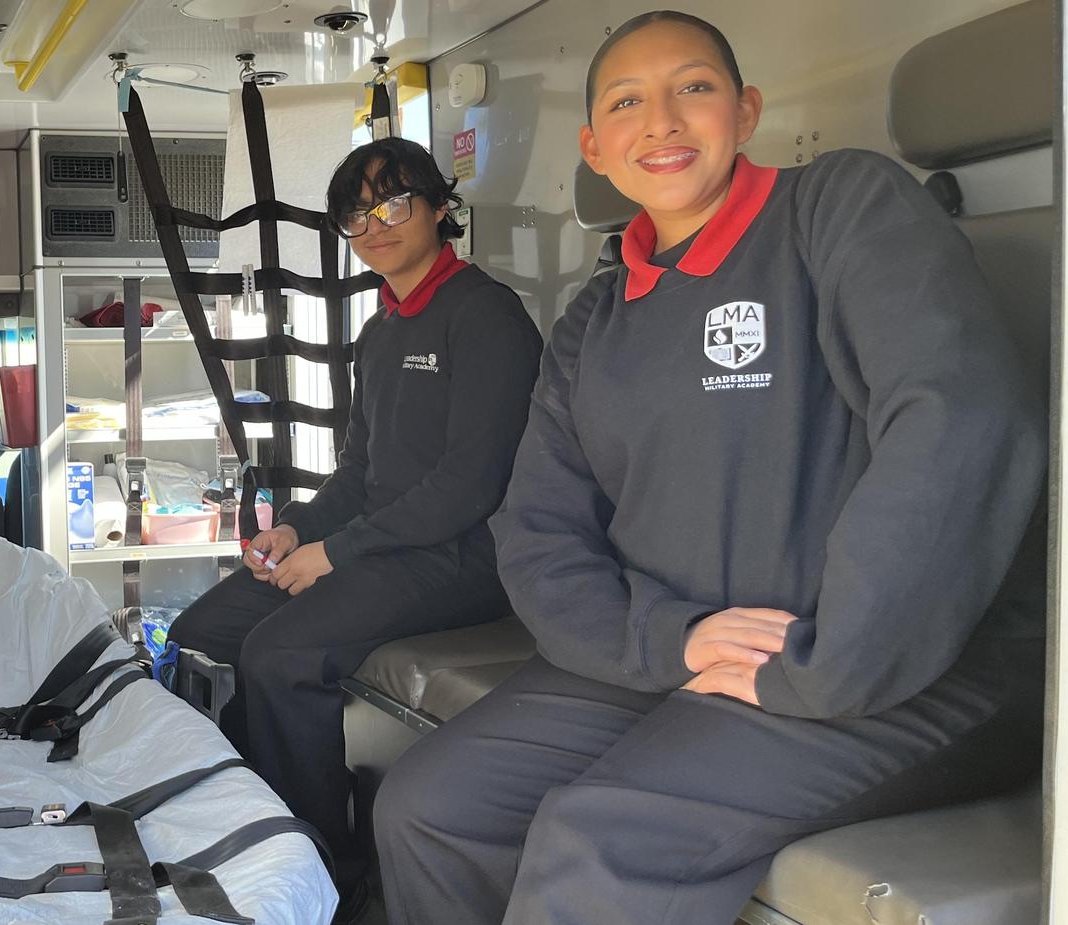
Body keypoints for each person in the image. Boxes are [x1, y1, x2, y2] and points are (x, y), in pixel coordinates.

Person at [371, 12, 1046, 924]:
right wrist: (668, 639)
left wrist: (816, 666)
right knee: (428, 807)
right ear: (594, 147)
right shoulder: (593, 320)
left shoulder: (841, 206)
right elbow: (536, 531)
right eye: (626, 102)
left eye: (693, 87)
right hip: (677, 647)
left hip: (894, 663)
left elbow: (957, 422)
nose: (661, 120)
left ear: (746, 110)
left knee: (599, 840)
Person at [165, 137, 543, 907]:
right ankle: (249, 824)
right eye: (357, 214)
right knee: (202, 630)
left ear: (438, 207)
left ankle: (324, 870)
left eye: (394, 202)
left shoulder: (486, 316)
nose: (375, 225)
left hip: (469, 555)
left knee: (280, 653)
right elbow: (358, 472)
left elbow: (470, 485)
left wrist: (337, 552)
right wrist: (297, 531)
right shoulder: (380, 332)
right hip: (387, 545)